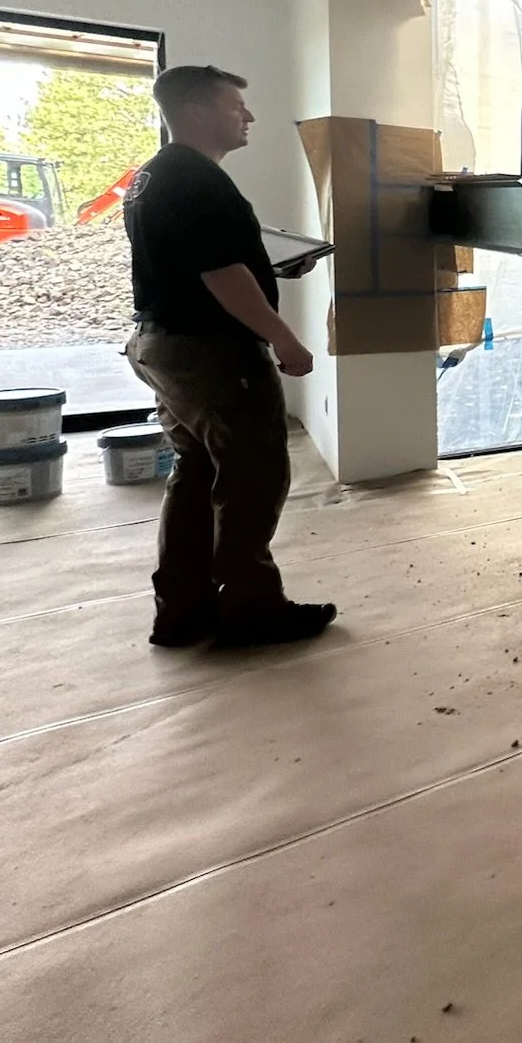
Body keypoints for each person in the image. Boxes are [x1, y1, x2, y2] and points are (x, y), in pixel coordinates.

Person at [124, 64, 337, 648]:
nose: (248, 116)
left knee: (197, 472)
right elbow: (219, 274)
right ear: (195, 112)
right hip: (210, 352)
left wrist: (269, 268)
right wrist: (283, 338)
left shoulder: (154, 177)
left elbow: (196, 262)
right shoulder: (197, 179)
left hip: (162, 343)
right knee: (253, 475)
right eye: (234, 106)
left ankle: (182, 610)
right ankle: (252, 606)